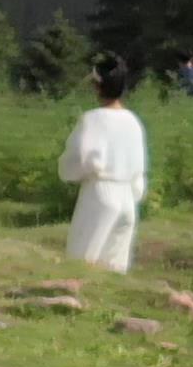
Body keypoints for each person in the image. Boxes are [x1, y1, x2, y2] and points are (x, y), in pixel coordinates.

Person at [59, 59, 150, 274]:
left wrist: (69, 172)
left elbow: (80, 158)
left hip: (100, 195)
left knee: (82, 264)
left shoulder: (92, 119)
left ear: (98, 87)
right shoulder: (133, 121)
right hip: (127, 198)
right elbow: (140, 167)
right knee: (114, 269)